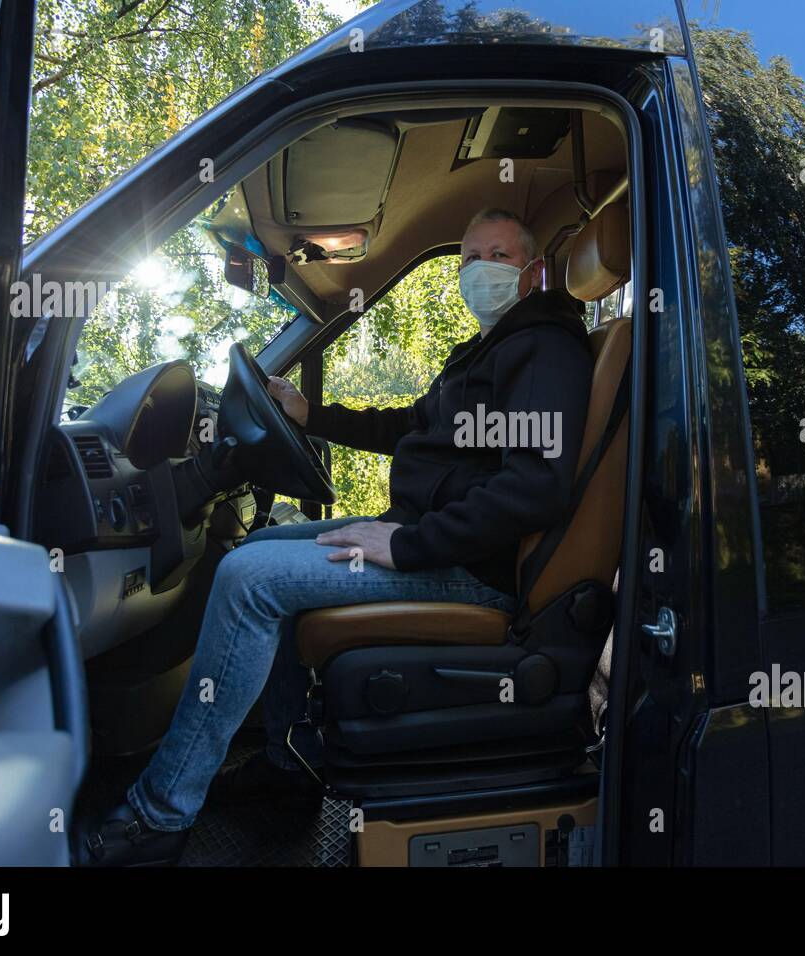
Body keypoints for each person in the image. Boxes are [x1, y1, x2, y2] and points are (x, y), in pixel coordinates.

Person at [83, 208, 594, 865]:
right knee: (258, 551)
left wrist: (407, 545)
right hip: (433, 539)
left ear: (532, 272)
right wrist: (311, 414)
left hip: (473, 570)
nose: (480, 271)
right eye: (468, 259)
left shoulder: (547, 348)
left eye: (497, 257)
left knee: (246, 580)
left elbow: (536, 488)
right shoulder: (491, 351)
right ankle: (290, 763)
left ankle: (159, 816)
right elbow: (411, 427)